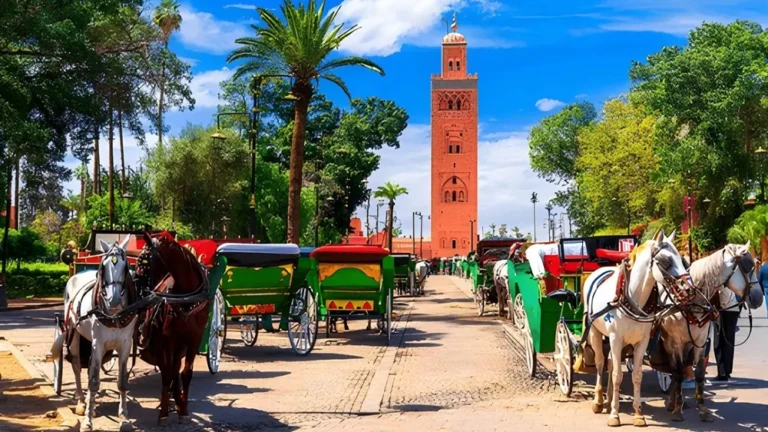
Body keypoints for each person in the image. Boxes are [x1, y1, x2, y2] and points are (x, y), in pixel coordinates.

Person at [713, 285, 740, 381]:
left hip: (721, 308)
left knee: (720, 341)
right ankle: (726, 371)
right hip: (732, 308)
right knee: (728, 340)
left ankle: (723, 372)